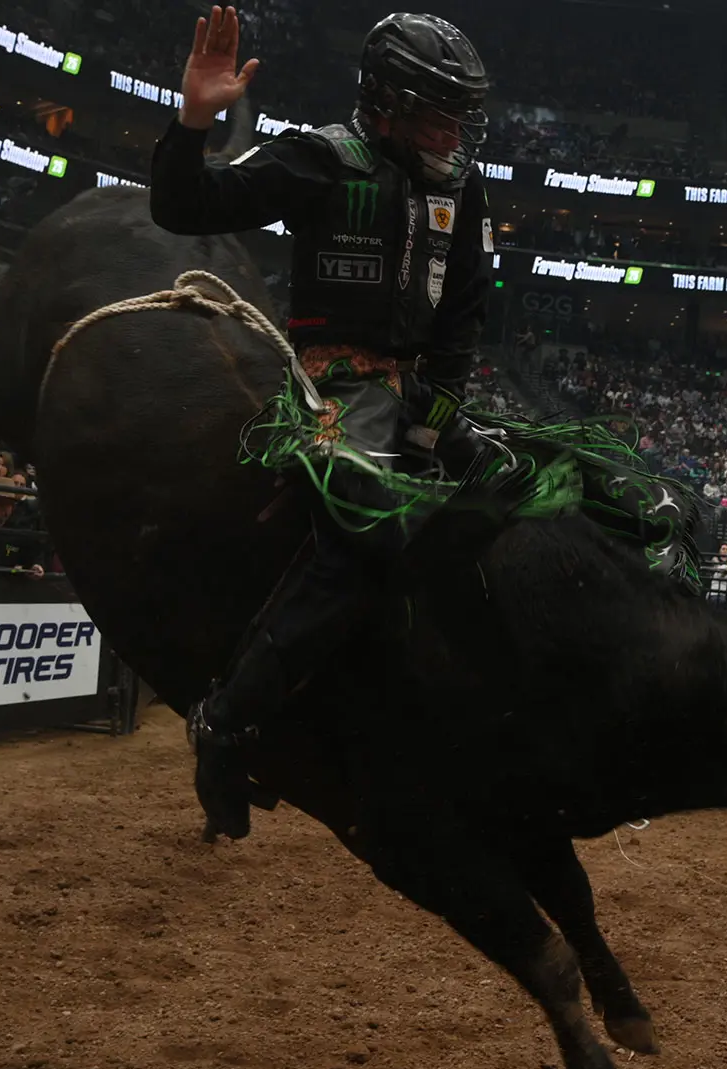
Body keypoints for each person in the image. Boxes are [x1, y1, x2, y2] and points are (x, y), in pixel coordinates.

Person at [152, 6, 495, 839]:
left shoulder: (467, 189)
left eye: (461, 114)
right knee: (363, 539)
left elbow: (463, 326)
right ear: (385, 103)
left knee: (512, 496)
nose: (453, 132)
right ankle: (228, 722)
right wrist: (198, 117)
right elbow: (187, 205)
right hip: (330, 385)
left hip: (424, 392)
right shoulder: (318, 159)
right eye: (436, 112)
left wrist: (429, 430)